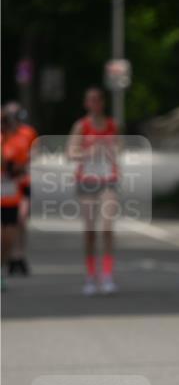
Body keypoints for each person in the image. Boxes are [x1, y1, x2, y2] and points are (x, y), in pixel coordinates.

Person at [67, 87, 119, 295]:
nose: (94, 103)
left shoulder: (112, 125)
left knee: (107, 228)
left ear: (103, 102)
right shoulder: (81, 126)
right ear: (86, 103)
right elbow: (70, 153)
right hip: (87, 181)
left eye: (97, 99)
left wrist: (111, 152)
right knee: (90, 231)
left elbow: (120, 149)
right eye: (90, 100)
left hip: (108, 180)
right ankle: (90, 275)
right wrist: (90, 152)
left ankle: (106, 274)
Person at [4, 102, 37, 275]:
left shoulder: (28, 133)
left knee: (21, 219)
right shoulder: (3, 136)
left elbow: (32, 155)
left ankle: (19, 254)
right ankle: (8, 256)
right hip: (6, 185)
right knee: (6, 225)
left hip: (21, 182)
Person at [1, 105, 31, 289]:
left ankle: (6, 263)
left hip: (11, 195)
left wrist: (13, 168)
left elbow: (23, 165)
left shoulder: (18, 140)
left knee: (8, 237)